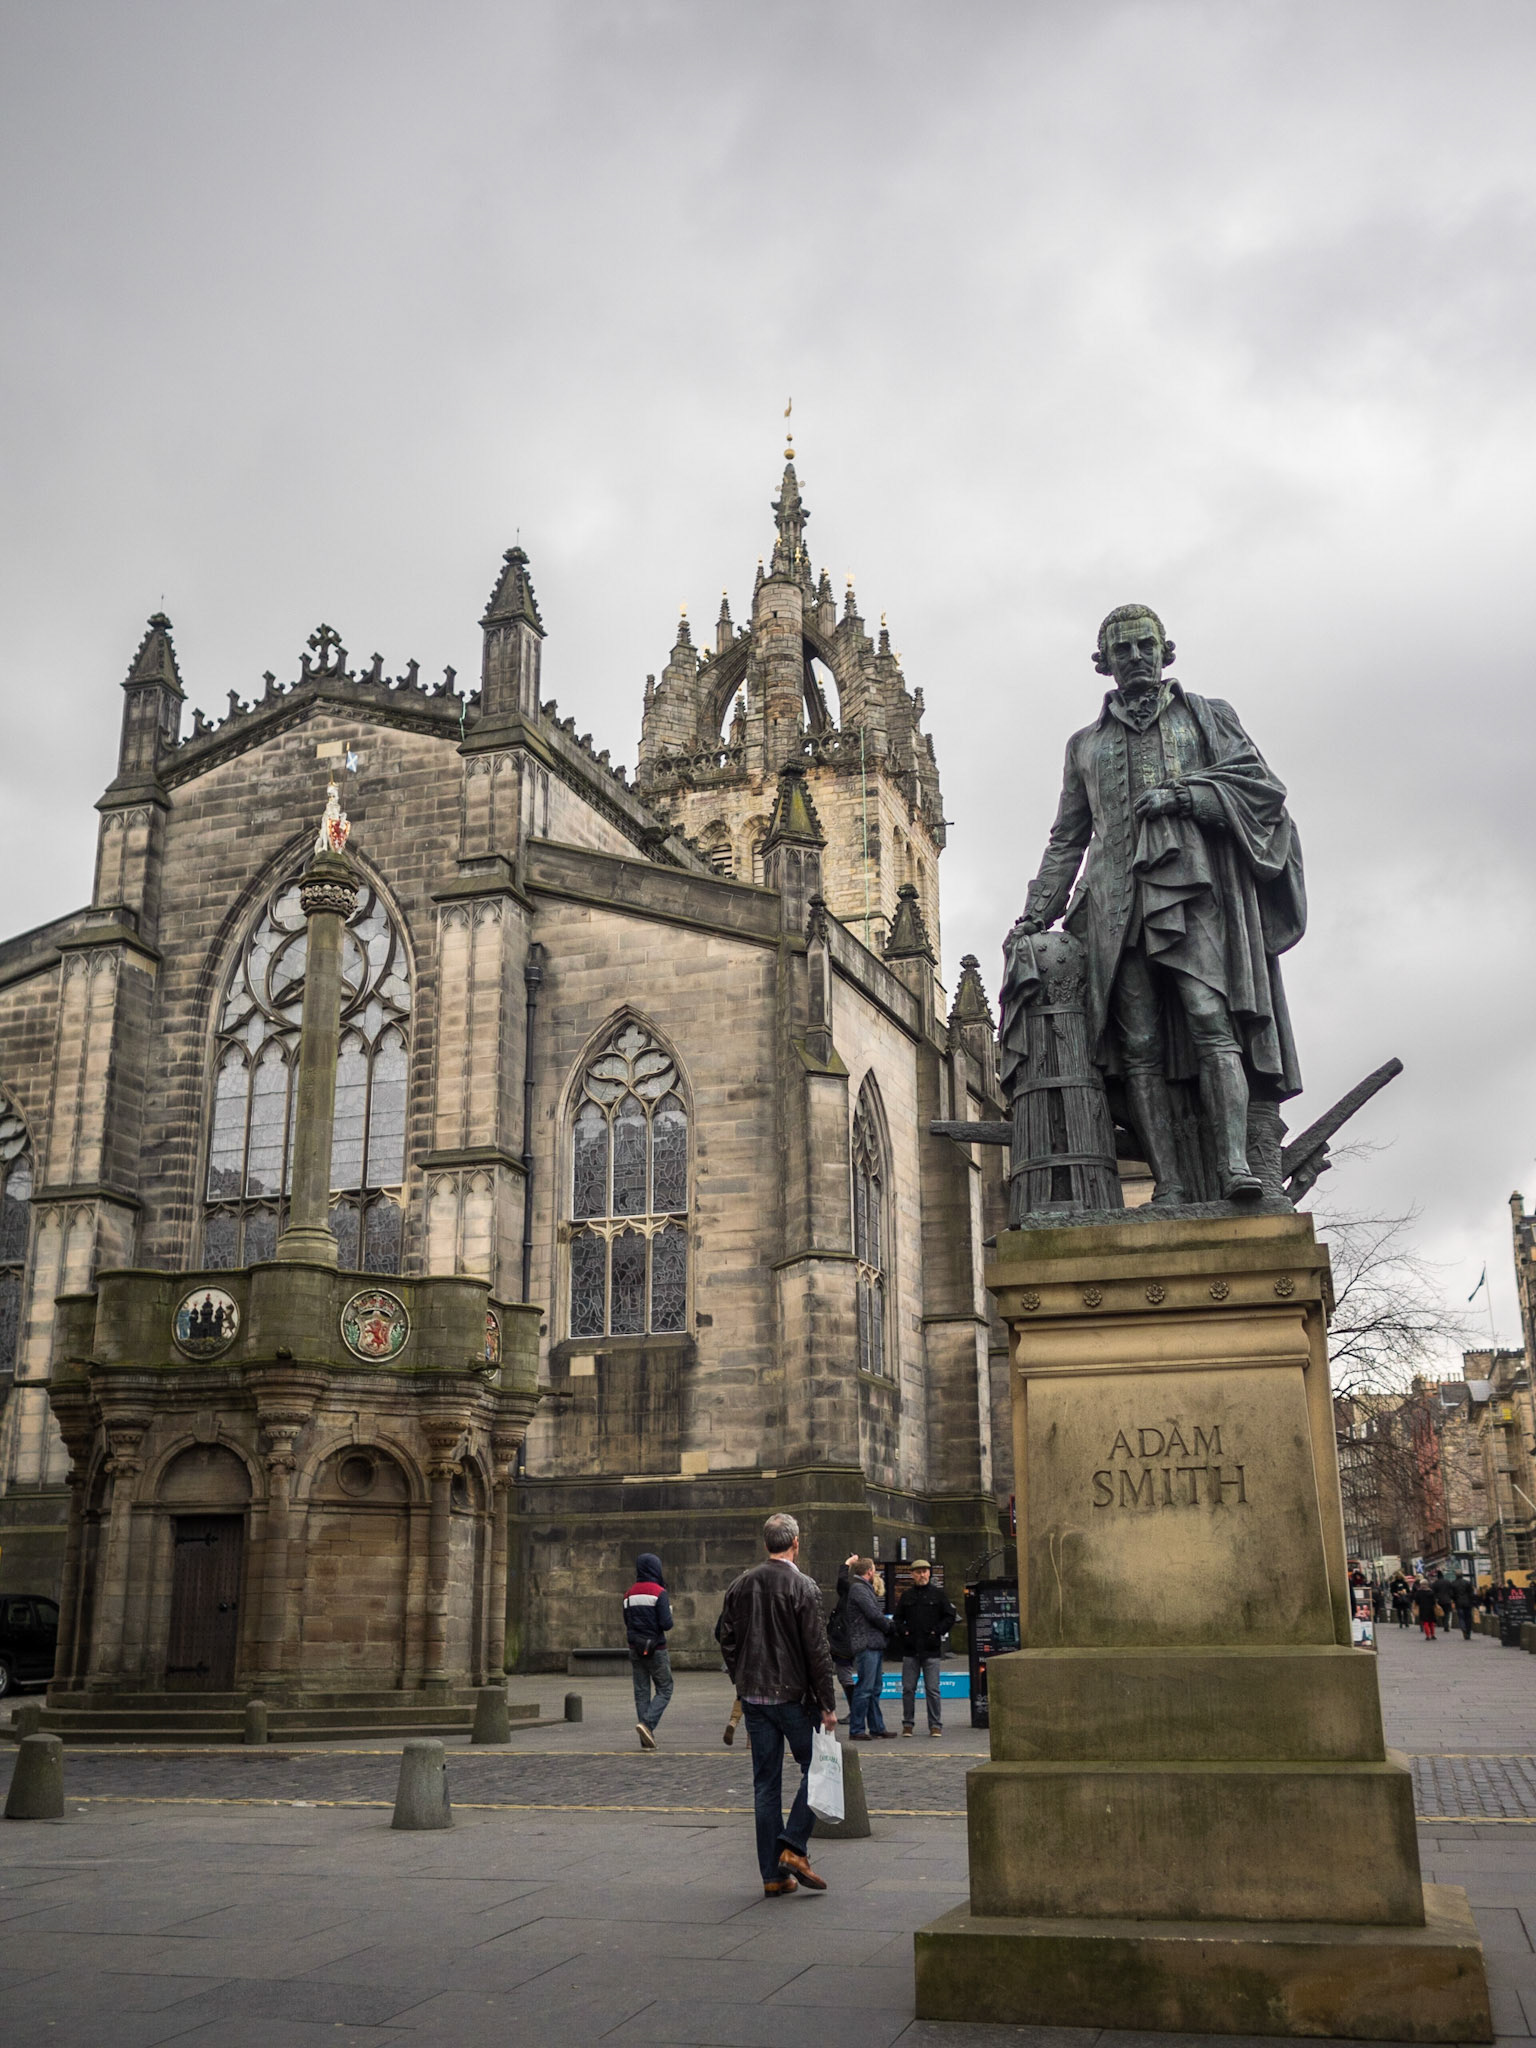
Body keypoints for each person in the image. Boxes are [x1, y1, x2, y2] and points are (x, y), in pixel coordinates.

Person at [1006, 604, 1305, 1204]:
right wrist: (1036, 912)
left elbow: (1261, 790)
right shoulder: (1084, 745)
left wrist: (1188, 796)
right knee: (1137, 1045)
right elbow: (1068, 838)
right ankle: (1167, 1185)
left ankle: (1235, 1167)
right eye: (1123, 649)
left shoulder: (1207, 716)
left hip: (1193, 893)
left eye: (1146, 645)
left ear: (1166, 651)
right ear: (1104, 663)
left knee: (1210, 1020)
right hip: (1112, 907)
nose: (1136, 657)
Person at [716, 1512, 837, 1898]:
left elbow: (725, 1636)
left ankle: (773, 1875)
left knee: (765, 1785)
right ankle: (794, 1847)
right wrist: (828, 1703)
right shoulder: (803, 1586)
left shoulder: (741, 1584)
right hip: (793, 1698)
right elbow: (817, 1650)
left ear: (766, 1543)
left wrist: (741, 1677)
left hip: (754, 1697)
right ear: (796, 1543)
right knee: (818, 1767)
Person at [891, 1559, 957, 1737]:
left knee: (933, 1690)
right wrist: (904, 1632)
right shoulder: (907, 1596)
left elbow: (950, 1616)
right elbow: (897, 1619)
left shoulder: (938, 1594)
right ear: (912, 1574)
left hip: (931, 1648)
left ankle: (935, 1725)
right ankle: (907, 1724)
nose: (922, 1575)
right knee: (908, 1689)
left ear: (929, 1573)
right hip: (911, 1648)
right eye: (918, 1572)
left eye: (925, 1571)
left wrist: (937, 1631)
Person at [623, 1550, 674, 1750]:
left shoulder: (628, 1594)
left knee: (641, 1692)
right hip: (657, 1648)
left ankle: (646, 1739)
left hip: (635, 1648)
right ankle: (647, 1724)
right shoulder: (659, 1592)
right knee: (665, 1688)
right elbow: (666, 1624)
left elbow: (627, 1621)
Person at [845, 1557, 895, 1740]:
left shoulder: (863, 1588)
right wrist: (890, 1626)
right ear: (869, 1571)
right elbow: (873, 1614)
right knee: (865, 1688)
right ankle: (857, 1729)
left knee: (874, 1688)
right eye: (874, 1569)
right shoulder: (859, 1588)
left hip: (873, 1643)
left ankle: (877, 1727)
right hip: (866, 1643)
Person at [1412, 1575, 1439, 1641]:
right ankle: (1433, 1635)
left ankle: (1427, 1636)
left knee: (1425, 1623)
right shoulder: (1431, 1592)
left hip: (1423, 1609)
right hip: (1431, 1609)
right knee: (1431, 1623)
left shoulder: (1419, 1592)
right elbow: (1434, 1601)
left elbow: (1417, 1601)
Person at [1450, 1571, 1476, 1641]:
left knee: (1461, 1617)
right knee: (1468, 1618)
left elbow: (1451, 1594)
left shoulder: (1453, 1583)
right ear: (1462, 1575)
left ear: (1456, 1576)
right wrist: (1473, 1602)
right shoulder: (1467, 1582)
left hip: (1459, 1603)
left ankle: (1463, 1628)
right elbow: (1471, 1593)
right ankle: (1468, 1632)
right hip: (1468, 1602)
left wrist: (1454, 1599)